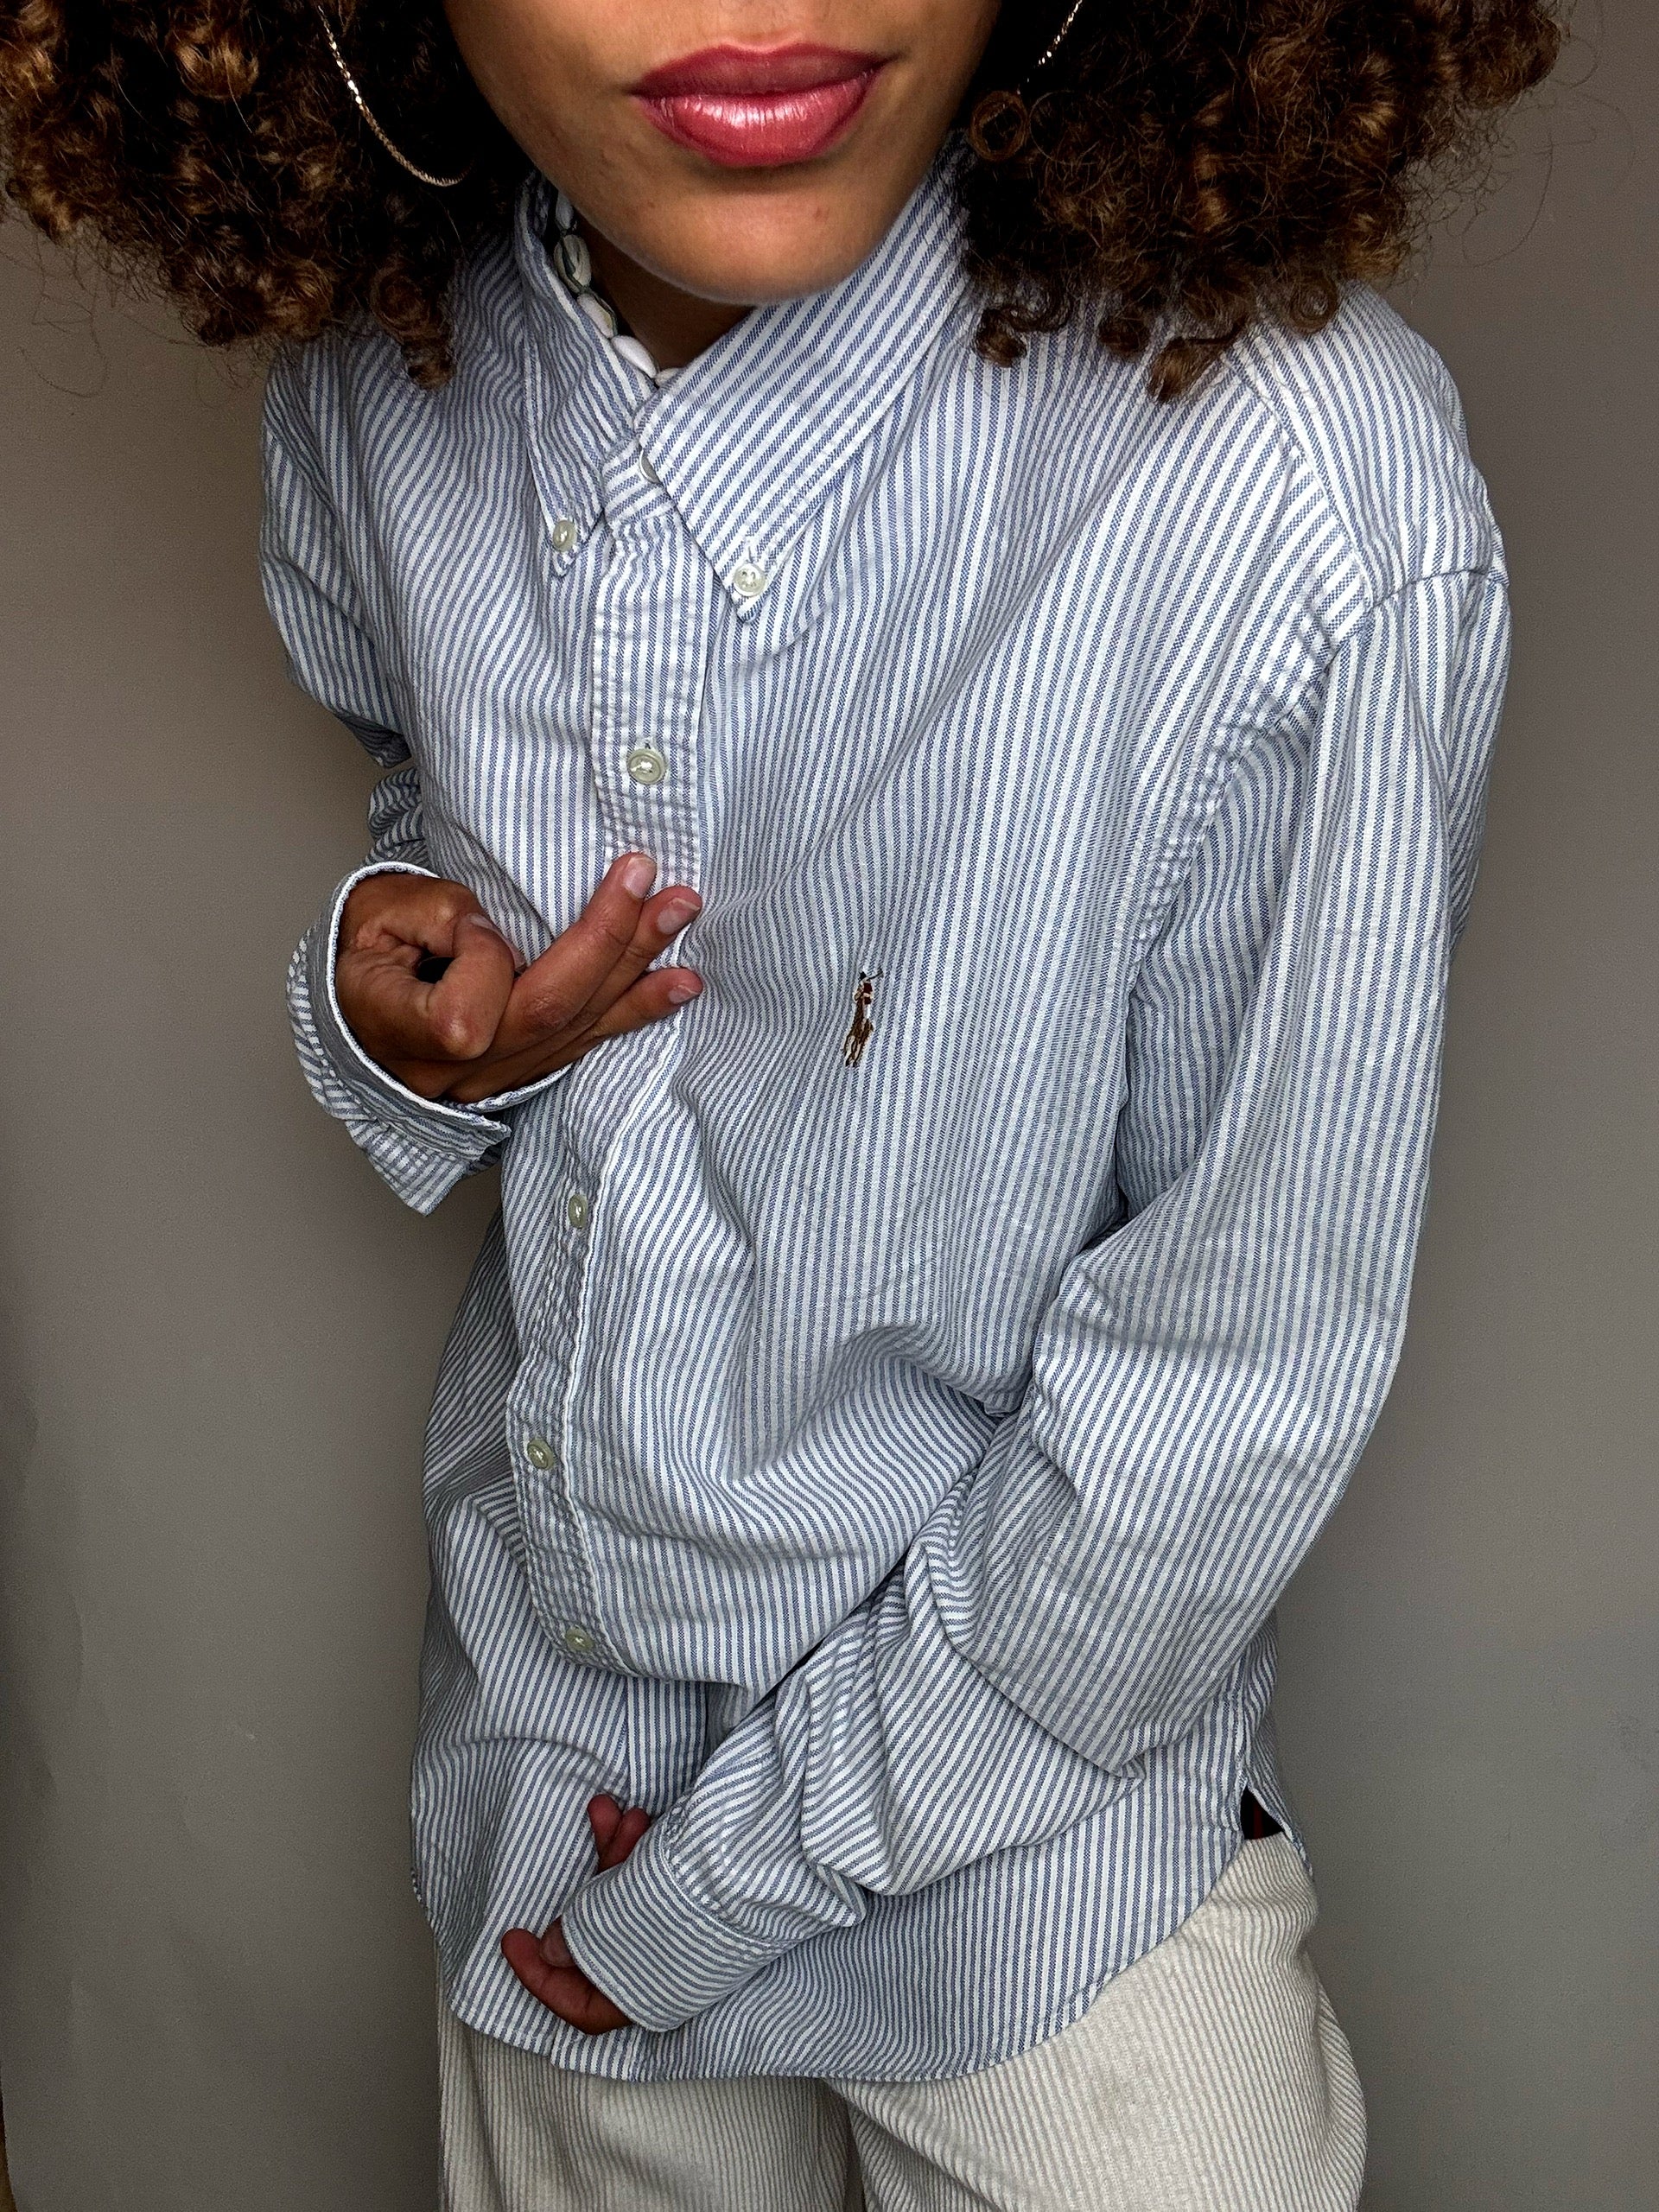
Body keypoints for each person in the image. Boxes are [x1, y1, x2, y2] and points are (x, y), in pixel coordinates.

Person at [1, 3, 1563, 2205]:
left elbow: (1223, 1386)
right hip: (546, 1757)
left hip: (1033, 1883)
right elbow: (431, 795)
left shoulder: (1295, 496)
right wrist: (423, 1010)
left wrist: (702, 1890)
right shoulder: (379, 385)